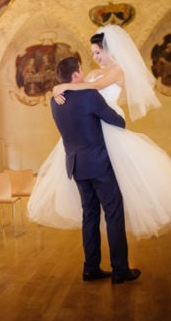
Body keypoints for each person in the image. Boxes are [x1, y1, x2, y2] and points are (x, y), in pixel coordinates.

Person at [27, 24, 171, 241]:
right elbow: (83, 89)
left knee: (116, 195)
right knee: (97, 208)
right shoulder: (91, 73)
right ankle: (112, 263)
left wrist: (62, 87)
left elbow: (96, 87)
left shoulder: (118, 71)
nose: (96, 57)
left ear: (110, 50)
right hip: (89, 131)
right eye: (93, 54)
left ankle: (108, 259)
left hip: (108, 125)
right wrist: (58, 88)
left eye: (98, 52)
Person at [47, 55, 141, 284]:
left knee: (89, 216)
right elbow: (118, 123)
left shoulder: (55, 100)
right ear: (76, 74)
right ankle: (120, 270)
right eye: (81, 68)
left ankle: (91, 268)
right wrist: (116, 110)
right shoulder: (89, 95)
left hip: (76, 165)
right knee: (113, 214)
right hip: (99, 164)